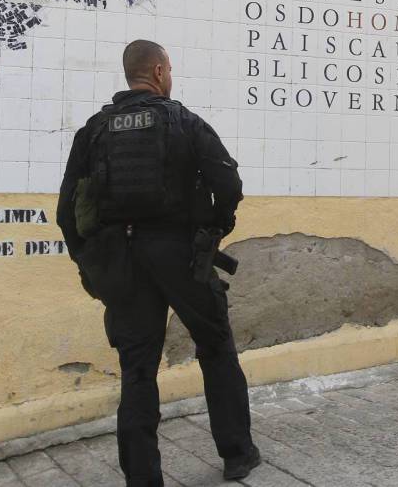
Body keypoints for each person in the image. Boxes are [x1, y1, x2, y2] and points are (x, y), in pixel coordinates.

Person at [56, 39, 260, 486]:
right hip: (182, 257)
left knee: (138, 370)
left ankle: (143, 479)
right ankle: (238, 455)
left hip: (121, 263)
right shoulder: (184, 122)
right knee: (215, 347)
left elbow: (66, 211)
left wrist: (89, 263)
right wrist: (213, 233)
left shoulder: (94, 131)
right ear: (161, 71)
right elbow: (229, 184)